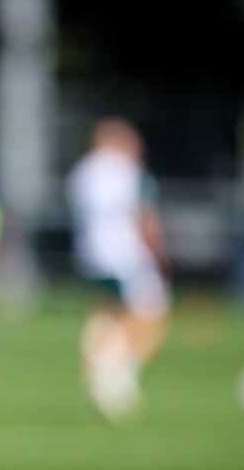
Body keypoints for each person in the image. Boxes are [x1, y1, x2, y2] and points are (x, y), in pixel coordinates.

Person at [66, 117, 170, 423]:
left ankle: (102, 368)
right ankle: (114, 378)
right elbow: (145, 219)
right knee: (153, 317)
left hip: (90, 255)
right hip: (127, 257)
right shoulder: (130, 171)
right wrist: (160, 254)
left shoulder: (82, 171)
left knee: (106, 317)